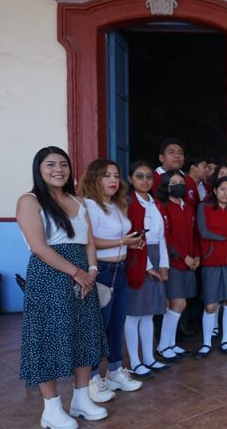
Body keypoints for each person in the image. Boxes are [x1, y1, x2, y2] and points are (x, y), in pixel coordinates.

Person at [18, 147, 109, 428]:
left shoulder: (78, 200)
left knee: (84, 334)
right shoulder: (30, 201)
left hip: (83, 275)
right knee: (49, 339)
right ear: (39, 169)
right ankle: (51, 408)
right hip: (49, 277)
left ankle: (81, 398)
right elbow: (39, 247)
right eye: (51, 165)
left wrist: (91, 271)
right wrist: (76, 272)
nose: (58, 169)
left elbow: (89, 241)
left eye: (64, 165)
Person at [78, 159, 144, 400]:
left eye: (116, 175)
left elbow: (119, 236)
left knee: (117, 325)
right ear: (94, 178)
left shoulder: (116, 204)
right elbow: (89, 241)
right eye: (107, 175)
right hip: (101, 271)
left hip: (120, 269)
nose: (114, 180)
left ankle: (115, 371)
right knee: (99, 327)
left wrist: (131, 242)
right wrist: (121, 242)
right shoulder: (88, 205)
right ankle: (92, 377)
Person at [124, 161, 171, 378]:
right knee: (134, 315)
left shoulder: (156, 204)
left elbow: (161, 237)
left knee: (149, 314)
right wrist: (147, 266)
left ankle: (149, 357)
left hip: (154, 255)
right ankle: (135, 361)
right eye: (139, 176)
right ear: (131, 179)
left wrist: (163, 265)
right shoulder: (128, 203)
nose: (145, 181)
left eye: (148, 177)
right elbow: (133, 237)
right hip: (136, 259)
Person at [194, 176, 227, 359]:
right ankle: (206, 344)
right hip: (212, 263)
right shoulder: (204, 207)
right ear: (215, 190)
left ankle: (225, 341)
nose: (226, 193)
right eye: (223, 189)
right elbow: (204, 231)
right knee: (210, 305)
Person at [155, 170, 199, 361]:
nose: (178, 185)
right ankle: (163, 346)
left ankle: (171, 343)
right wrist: (183, 256)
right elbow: (166, 238)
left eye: (181, 181)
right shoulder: (163, 207)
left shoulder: (188, 207)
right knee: (177, 304)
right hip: (173, 263)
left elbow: (194, 234)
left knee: (180, 304)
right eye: (174, 182)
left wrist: (196, 255)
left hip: (189, 263)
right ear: (166, 185)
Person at [152, 137, 200, 209]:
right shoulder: (151, 178)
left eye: (180, 153)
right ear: (161, 158)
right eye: (171, 152)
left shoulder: (189, 180)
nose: (177, 156)